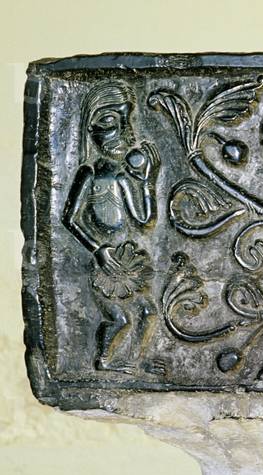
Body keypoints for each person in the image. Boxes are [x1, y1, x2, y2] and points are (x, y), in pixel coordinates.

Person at [60, 81, 160, 373]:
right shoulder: (88, 171)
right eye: (109, 122)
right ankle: (103, 363)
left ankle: (133, 363)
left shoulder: (123, 174)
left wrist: (148, 182)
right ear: (91, 130)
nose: (123, 133)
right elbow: (70, 218)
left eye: (125, 121)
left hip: (127, 258)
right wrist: (97, 249)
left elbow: (145, 222)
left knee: (147, 312)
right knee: (119, 319)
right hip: (106, 262)